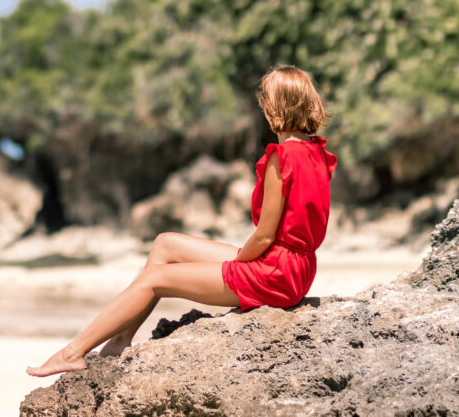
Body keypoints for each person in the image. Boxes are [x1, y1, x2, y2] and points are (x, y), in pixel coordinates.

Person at [26, 65, 337, 377]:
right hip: (295, 267)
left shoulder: (281, 158)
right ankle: (119, 340)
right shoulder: (316, 153)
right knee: (165, 244)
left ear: (275, 108)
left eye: (265, 101)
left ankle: (72, 353)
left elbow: (264, 236)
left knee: (153, 280)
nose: (263, 107)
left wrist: (240, 261)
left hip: (275, 273)